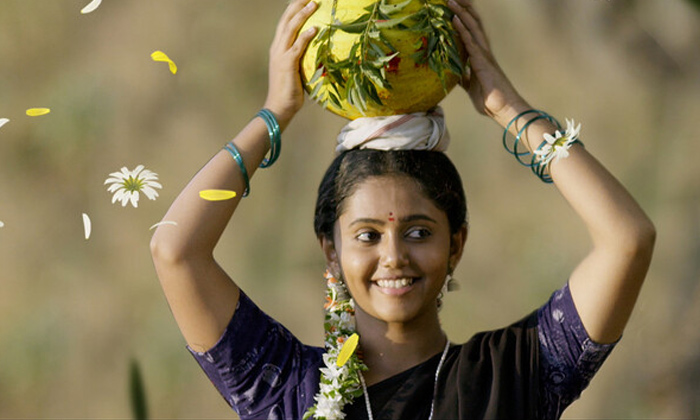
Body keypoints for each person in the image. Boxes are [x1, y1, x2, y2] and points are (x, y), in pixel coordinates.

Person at [150, 0, 656, 418]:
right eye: (367, 235)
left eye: (418, 232)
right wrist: (274, 113)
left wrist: (508, 107)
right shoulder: (285, 390)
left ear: (456, 244)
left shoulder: (515, 374)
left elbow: (627, 239)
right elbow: (175, 249)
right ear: (330, 250)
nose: (393, 256)